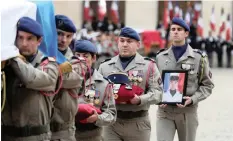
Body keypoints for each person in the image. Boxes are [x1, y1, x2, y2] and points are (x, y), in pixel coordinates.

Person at [98, 27, 163, 141]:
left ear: (138, 44)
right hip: (111, 123)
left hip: (138, 124)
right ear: (117, 43)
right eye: (122, 41)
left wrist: (140, 99)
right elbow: (97, 92)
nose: (125, 44)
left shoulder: (148, 66)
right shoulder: (105, 66)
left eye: (129, 41)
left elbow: (159, 93)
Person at [156, 17, 214, 141]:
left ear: (186, 33)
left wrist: (193, 99)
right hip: (165, 112)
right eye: (173, 29)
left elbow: (207, 85)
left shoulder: (199, 58)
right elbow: (154, 84)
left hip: (188, 112)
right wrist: (158, 99)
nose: (175, 32)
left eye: (179, 29)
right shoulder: (160, 57)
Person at [1, 17, 59, 141]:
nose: (24, 43)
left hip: (36, 137)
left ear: (39, 41)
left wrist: (12, 56)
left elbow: (30, 78)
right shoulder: (6, 64)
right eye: (20, 38)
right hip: (7, 136)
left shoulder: (49, 65)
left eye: (29, 38)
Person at [50, 15, 87, 141]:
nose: (63, 40)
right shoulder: (40, 57)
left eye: (68, 36)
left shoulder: (77, 64)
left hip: (63, 132)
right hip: (39, 129)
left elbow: (48, 79)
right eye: (59, 34)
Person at [74, 40, 116, 141]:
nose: (80, 59)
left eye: (85, 56)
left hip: (92, 135)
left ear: (93, 58)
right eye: (77, 55)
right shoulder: (65, 80)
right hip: (69, 135)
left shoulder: (103, 84)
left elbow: (111, 114)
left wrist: (98, 118)